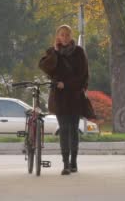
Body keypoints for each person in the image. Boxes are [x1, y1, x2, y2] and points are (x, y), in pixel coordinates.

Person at [38, 25, 89, 175]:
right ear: (57, 37)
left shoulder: (79, 52)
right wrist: (54, 52)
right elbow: (45, 68)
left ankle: (74, 162)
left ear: (71, 36)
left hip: (74, 95)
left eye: (67, 35)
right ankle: (65, 164)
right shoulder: (53, 52)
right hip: (59, 97)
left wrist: (67, 84)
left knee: (73, 129)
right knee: (63, 129)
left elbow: (84, 75)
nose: (65, 37)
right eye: (62, 35)